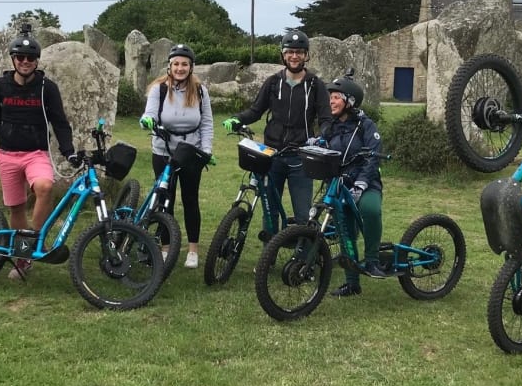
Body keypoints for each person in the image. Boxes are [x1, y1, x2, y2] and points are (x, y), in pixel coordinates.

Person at [0, 25, 80, 280]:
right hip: (8, 154)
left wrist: (68, 152)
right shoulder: (0, 86)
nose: (25, 62)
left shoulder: (48, 88)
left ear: (37, 61)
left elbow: (60, 123)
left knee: (45, 187)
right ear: (13, 59)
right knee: (16, 209)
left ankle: (34, 243)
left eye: (30, 58)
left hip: (36, 153)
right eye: (20, 58)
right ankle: (23, 259)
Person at [223, 30, 331, 235]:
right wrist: (238, 119)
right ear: (283, 54)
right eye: (290, 51)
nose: (294, 56)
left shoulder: (315, 85)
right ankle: (268, 256)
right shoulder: (273, 82)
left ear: (306, 55)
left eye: (299, 52)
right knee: (270, 210)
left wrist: (323, 135)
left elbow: (326, 118)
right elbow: (256, 110)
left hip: (301, 156)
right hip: (272, 154)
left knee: (302, 214)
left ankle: (303, 259)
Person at [139, 44, 214, 269]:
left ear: (191, 67)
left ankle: (192, 249)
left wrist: (207, 150)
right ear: (169, 66)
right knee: (165, 201)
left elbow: (207, 123)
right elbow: (149, 114)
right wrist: (147, 121)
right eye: (176, 64)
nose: (180, 68)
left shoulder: (200, 91)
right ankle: (165, 247)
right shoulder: (159, 89)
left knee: (190, 199)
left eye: (184, 64)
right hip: (163, 151)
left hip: (191, 151)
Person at [317, 74, 385, 297]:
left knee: (370, 210)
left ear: (350, 101)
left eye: (336, 97)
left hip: (366, 183)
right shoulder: (331, 126)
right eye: (330, 98)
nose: (331, 102)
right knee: (344, 227)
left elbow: (374, 157)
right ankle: (352, 282)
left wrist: (362, 184)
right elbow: (322, 145)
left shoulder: (366, 125)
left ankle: (373, 260)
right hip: (339, 185)